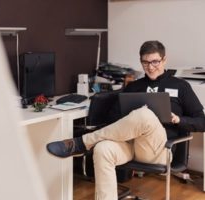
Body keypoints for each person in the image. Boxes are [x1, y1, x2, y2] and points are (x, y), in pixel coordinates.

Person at [46, 40, 205, 200]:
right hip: (129, 145)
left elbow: (202, 121)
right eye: (145, 62)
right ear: (141, 61)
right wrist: (127, 117)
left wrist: (178, 120)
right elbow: (113, 118)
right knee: (103, 148)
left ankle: (81, 143)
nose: (150, 67)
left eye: (155, 61)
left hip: (160, 149)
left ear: (164, 60)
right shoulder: (133, 86)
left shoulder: (181, 86)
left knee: (145, 114)